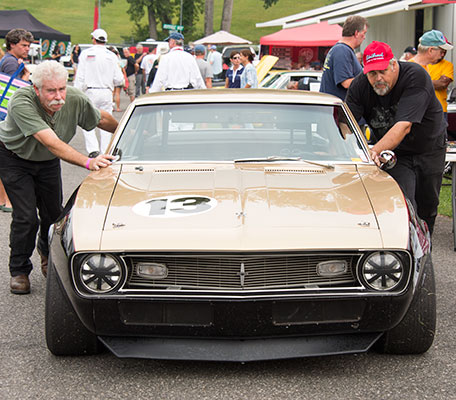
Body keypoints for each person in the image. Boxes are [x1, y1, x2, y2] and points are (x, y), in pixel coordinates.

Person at [0, 60, 118, 294]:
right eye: (51, 90)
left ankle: (46, 254)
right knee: (26, 217)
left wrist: (131, 133)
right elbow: (50, 141)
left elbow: (101, 118)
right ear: (37, 89)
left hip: (46, 161)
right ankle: (19, 270)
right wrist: (88, 161)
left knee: (53, 215)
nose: (58, 96)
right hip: (15, 158)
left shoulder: (74, 98)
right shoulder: (22, 101)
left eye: (61, 88)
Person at [345, 41, 446, 235]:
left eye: (382, 71)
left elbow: (403, 126)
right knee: (403, 203)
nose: (378, 78)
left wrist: (372, 152)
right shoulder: (359, 86)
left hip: (429, 147)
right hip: (396, 153)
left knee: (428, 205)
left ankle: (425, 252)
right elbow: (345, 123)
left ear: (393, 64)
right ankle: (403, 250)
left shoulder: (415, 76)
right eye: (372, 73)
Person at [74, 28, 124, 157]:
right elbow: (119, 79)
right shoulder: (111, 56)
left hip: (90, 91)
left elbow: (80, 77)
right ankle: (105, 149)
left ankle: (93, 150)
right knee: (106, 121)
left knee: (88, 120)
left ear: (93, 40)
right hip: (106, 91)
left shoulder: (86, 54)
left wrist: (76, 92)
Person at [0, 28, 34, 214]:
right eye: (23, 45)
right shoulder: (12, 64)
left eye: (28, 46)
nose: (27, 49)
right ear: (12, 44)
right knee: (9, 160)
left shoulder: (7, 60)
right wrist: (27, 76)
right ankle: (8, 202)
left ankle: (3, 200)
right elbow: (15, 91)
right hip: (6, 116)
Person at [320, 15, 368, 100]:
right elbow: (346, 83)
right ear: (356, 33)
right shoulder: (342, 51)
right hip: (337, 109)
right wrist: (368, 79)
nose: (364, 37)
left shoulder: (341, 49)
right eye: (363, 33)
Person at [411, 30, 454, 122]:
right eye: (441, 51)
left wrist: (421, 82)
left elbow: (442, 84)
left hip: (431, 114)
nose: (442, 54)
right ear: (430, 50)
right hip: (418, 116)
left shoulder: (425, 67)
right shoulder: (411, 68)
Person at [108, 46, 125, 112]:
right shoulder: (119, 62)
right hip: (119, 78)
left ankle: (112, 106)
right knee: (117, 93)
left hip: (111, 78)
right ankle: (118, 107)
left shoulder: (110, 61)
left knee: (112, 93)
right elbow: (123, 70)